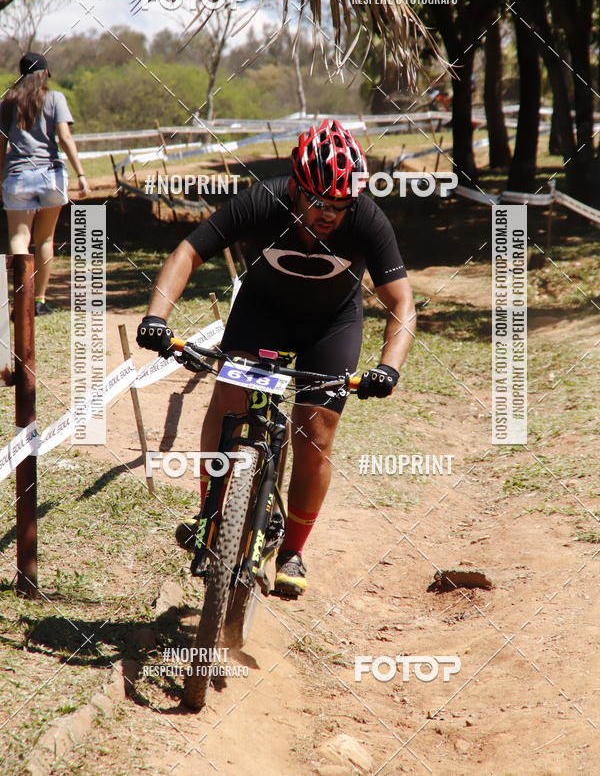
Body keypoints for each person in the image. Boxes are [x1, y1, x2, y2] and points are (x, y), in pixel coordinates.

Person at [137, 119, 416, 597]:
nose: (329, 214)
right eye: (318, 202)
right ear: (294, 187)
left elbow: (402, 303)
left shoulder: (367, 219)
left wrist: (389, 366)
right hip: (261, 317)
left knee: (317, 430)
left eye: (340, 205)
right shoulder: (261, 201)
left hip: (330, 327)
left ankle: (292, 549)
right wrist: (157, 316)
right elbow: (188, 252)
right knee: (229, 396)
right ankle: (210, 515)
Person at [0, 52, 89, 315]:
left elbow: (0, 145)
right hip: (52, 175)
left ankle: (22, 301)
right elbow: (65, 138)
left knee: (19, 237)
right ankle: (39, 300)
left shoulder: (7, 103)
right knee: (45, 239)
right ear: (45, 74)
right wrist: (81, 174)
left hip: (17, 176)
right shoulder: (55, 98)